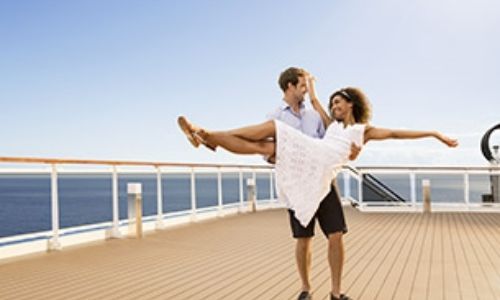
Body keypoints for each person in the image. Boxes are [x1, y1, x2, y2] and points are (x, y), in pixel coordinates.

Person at [177, 73, 458, 300]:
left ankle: (336, 292)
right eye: (332, 103)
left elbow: (398, 133)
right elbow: (315, 101)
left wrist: (434, 134)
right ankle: (206, 136)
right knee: (265, 142)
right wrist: (312, 88)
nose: (334, 107)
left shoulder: (363, 130)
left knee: (335, 235)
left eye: (339, 103)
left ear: (351, 104)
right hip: (308, 161)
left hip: (323, 173)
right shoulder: (329, 123)